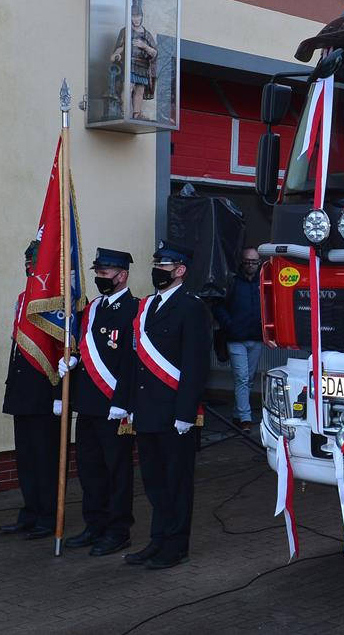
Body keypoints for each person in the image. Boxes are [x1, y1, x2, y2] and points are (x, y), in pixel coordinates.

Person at [118, 240, 212, 569]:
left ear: (180, 270)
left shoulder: (192, 307)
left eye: (163, 266)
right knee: (154, 482)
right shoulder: (147, 306)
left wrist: (186, 413)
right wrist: (128, 404)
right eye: (156, 265)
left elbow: (196, 365)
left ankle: (176, 545)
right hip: (147, 410)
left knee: (177, 482)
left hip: (174, 414)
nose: (157, 270)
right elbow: (135, 362)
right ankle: (157, 540)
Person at [57, 248, 139, 556]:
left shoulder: (135, 309)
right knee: (90, 468)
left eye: (105, 274)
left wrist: (124, 401)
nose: (99, 278)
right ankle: (94, 524)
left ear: (122, 275)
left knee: (117, 470)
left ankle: (118, 530)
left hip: (114, 406)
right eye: (98, 273)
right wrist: (72, 362)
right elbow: (83, 348)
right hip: (88, 403)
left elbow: (133, 361)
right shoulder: (92, 308)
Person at [0, 240, 61, 539]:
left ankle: (47, 517)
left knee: (45, 458)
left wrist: (59, 395)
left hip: (45, 392)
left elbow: (63, 350)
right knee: (25, 458)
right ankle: (30, 512)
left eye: (34, 261)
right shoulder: (24, 298)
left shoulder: (58, 301)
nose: (29, 267)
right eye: (27, 262)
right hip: (22, 390)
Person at [214, 246, 265, 432]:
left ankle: (237, 413)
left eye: (254, 261)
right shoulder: (232, 282)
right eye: (248, 261)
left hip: (256, 338)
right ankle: (245, 418)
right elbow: (218, 306)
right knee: (242, 378)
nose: (251, 264)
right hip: (235, 339)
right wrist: (230, 325)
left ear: (259, 263)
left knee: (248, 379)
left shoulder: (263, 282)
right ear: (242, 262)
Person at [111, 0, 158, 120]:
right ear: (130, 17)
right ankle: (124, 111)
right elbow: (120, 47)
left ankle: (137, 113)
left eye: (138, 16)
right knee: (129, 86)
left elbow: (154, 52)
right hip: (129, 64)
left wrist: (144, 46)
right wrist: (116, 54)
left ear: (142, 17)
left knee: (140, 90)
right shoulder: (125, 31)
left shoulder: (147, 34)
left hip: (142, 66)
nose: (136, 19)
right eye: (133, 16)